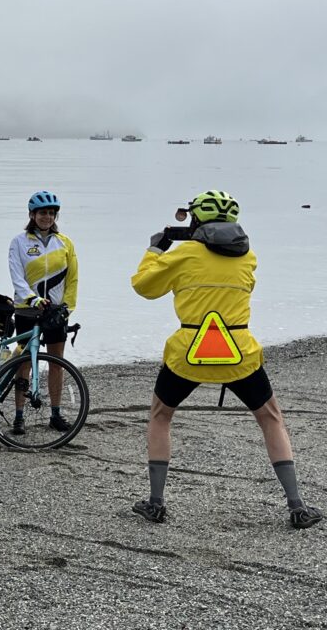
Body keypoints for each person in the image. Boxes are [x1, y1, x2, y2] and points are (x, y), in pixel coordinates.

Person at [130, 190, 321, 528]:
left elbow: (144, 287)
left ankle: (156, 503)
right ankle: (297, 506)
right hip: (239, 354)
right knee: (271, 417)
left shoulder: (184, 254)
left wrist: (155, 249)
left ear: (196, 219)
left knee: (161, 416)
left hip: (189, 353)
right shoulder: (248, 257)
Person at [7, 190, 78, 434]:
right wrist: (32, 298)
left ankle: (56, 414)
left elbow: (73, 278)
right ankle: (18, 415)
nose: (47, 217)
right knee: (24, 362)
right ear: (32, 215)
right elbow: (17, 277)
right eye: (42, 213)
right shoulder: (19, 242)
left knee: (57, 363)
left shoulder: (65, 242)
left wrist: (67, 307)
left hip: (55, 312)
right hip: (27, 310)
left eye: (51, 213)